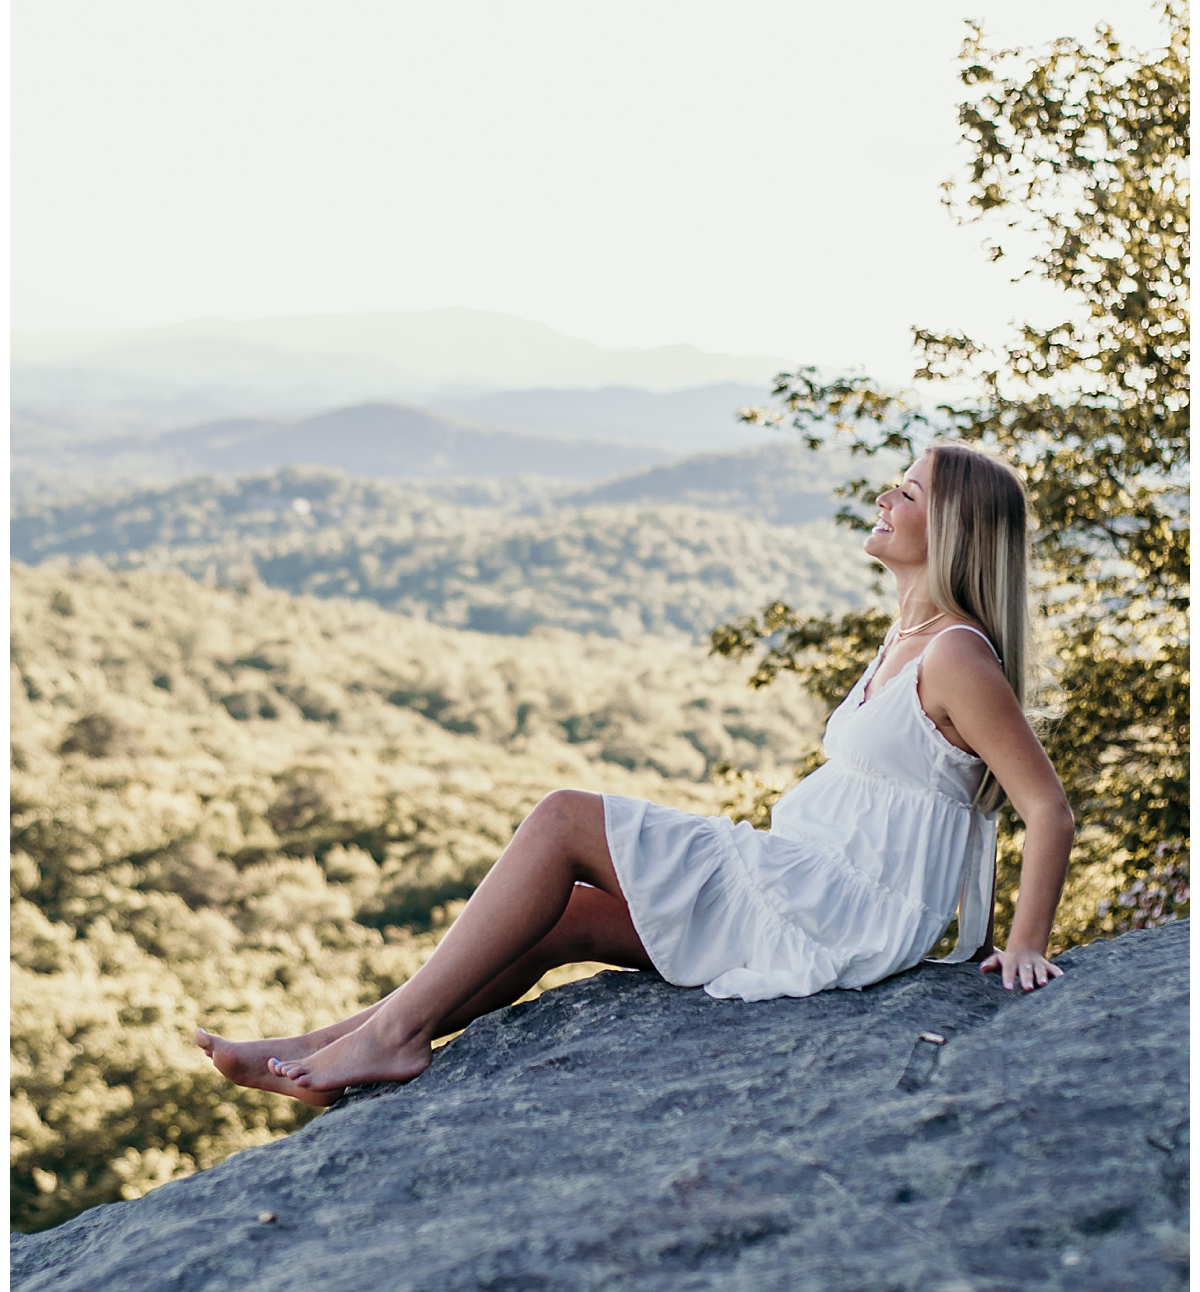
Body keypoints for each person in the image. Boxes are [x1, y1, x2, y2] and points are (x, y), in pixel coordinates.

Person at [197, 441, 1074, 1106]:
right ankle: (336, 1045)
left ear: (951, 530)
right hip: (802, 887)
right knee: (563, 918)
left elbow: (1046, 807)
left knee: (564, 820)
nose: (887, 493)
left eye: (910, 490)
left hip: (839, 910)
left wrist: (1025, 943)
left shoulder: (957, 654)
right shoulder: (908, 638)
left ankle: (385, 1035)